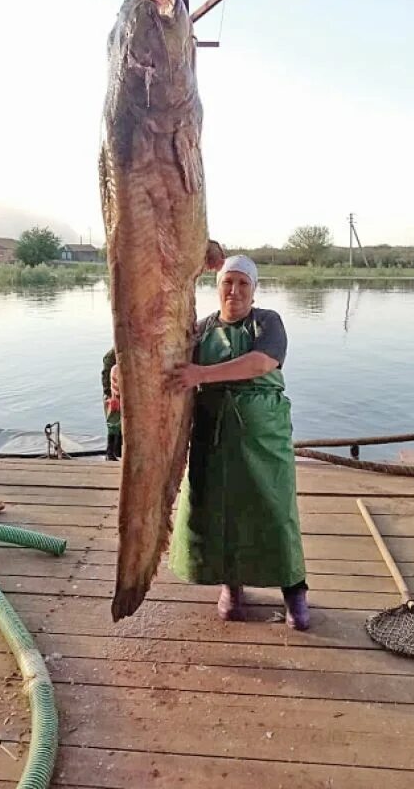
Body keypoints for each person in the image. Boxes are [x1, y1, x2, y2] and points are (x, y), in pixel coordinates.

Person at [167, 255, 309, 630]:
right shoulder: (199, 330)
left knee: (274, 510)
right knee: (220, 511)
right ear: (217, 288)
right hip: (212, 434)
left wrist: (203, 373)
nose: (235, 290)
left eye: (243, 283)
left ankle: (294, 591)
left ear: (254, 288)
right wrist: (117, 368)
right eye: (228, 282)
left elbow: (261, 363)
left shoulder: (268, 322)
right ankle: (232, 586)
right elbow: (165, 359)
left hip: (264, 434)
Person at [102, 347, 122, 460]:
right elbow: (105, 377)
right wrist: (109, 395)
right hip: (113, 397)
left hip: (121, 396)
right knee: (113, 425)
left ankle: (117, 451)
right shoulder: (111, 356)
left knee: (118, 426)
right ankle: (110, 453)